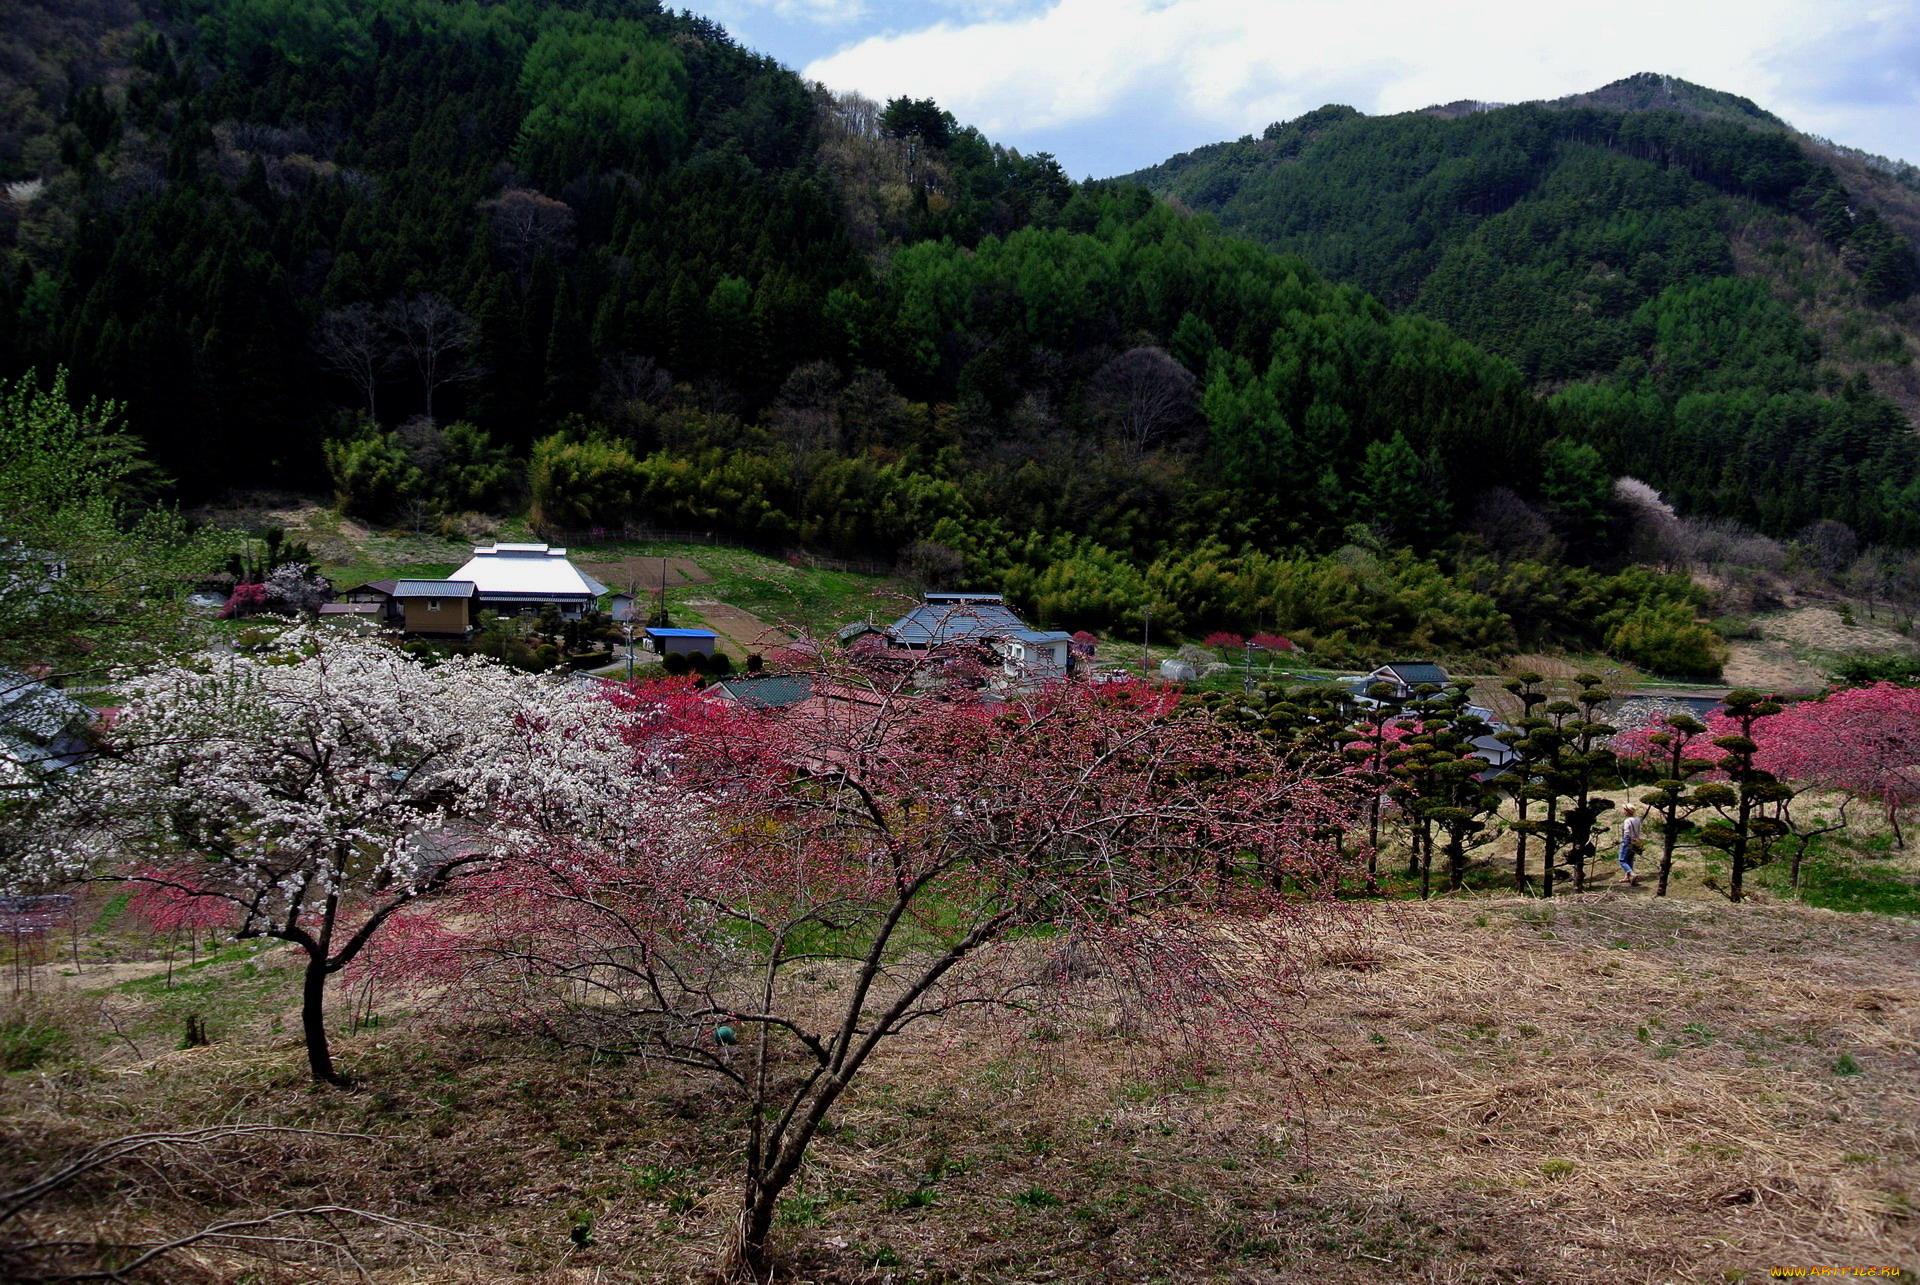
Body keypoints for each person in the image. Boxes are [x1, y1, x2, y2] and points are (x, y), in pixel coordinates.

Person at [1617, 804, 1644, 887]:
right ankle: (1627, 877)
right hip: (1636, 841)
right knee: (1630, 859)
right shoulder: (1637, 820)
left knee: (1622, 860)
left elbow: (1627, 832)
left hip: (1628, 840)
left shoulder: (1627, 821)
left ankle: (1632, 873)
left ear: (1627, 811)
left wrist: (1629, 839)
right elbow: (1639, 831)